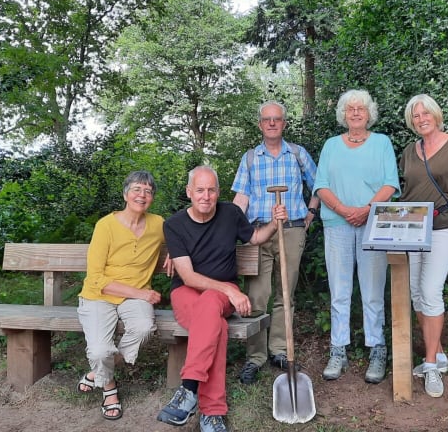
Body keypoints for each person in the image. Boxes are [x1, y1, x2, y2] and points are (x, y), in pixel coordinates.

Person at [156, 166, 287, 432]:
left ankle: (189, 389)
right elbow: (189, 277)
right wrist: (231, 291)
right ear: (189, 192)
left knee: (210, 306)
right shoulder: (174, 225)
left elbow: (256, 237)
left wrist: (275, 222)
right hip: (187, 292)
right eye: (200, 190)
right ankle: (212, 413)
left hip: (220, 295)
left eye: (211, 190)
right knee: (216, 326)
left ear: (218, 192)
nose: (206, 196)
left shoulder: (230, 213)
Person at [313, 89, 400, 384]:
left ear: (369, 112)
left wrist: (364, 210)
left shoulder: (382, 143)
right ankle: (338, 349)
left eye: (360, 108)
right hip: (337, 224)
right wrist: (344, 210)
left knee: (373, 290)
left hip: (374, 223)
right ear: (343, 114)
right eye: (349, 108)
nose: (355, 112)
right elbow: (321, 185)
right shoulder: (330, 146)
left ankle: (377, 348)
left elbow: (390, 184)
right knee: (339, 290)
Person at [231, 101, 320, 385]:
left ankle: (280, 350)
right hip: (258, 233)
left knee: (286, 293)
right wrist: (233, 228)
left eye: (277, 119)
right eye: (267, 119)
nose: (272, 123)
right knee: (257, 296)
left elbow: (319, 185)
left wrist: (311, 212)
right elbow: (240, 200)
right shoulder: (249, 158)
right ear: (260, 125)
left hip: (292, 230)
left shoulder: (297, 154)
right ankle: (255, 356)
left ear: (284, 124)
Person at [398, 94, 448, 398]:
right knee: (418, 295)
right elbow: (407, 194)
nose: (421, 119)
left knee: (431, 292)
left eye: (425, 113)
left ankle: (430, 364)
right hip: (412, 231)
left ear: (436, 114)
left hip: (444, 229)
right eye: (415, 116)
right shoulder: (409, 151)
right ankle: (439, 353)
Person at [76, 170, 165, 420]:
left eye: (148, 191)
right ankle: (109, 389)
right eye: (137, 189)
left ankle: (96, 373)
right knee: (99, 351)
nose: (142, 195)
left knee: (144, 327)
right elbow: (96, 278)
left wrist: (176, 259)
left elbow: (182, 241)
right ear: (126, 194)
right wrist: (141, 293)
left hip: (134, 300)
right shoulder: (106, 225)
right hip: (98, 295)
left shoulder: (158, 224)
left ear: (152, 199)